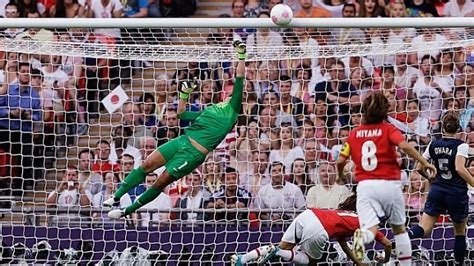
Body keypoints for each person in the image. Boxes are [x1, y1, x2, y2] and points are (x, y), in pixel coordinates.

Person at [106, 41, 247, 219]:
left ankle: (127, 210)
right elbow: (180, 114)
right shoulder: (207, 110)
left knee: (160, 182)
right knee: (146, 165)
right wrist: (184, 94)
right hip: (182, 141)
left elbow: (240, 77)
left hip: (193, 154)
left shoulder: (232, 111)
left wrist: (241, 55)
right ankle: (116, 197)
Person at [335, 92, 436, 265]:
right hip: (389, 185)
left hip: (365, 187)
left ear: (365, 111)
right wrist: (424, 162)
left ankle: (363, 236)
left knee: (369, 228)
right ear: (384, 111)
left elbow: (340, 161)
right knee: (399, 230)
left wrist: (341, 175)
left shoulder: (354, 134)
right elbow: (404, 146)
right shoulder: (388, 129)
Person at [230, 193, 392, 265]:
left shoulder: (347, 216)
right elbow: (388, 244)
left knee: (283, 247)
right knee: (309, 262)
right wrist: (384, 260)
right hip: (319, 228)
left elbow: (343, 243)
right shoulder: (365, 223)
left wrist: (358, 262)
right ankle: (277, 252)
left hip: (307, 215)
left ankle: (242, 259)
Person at [408, 111, 473, 265]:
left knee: (424, 228)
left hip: (437, 190)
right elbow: (459, 168)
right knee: (459, 232)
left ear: (443, 127)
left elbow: (418, 167)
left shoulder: (433, 143)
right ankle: (459, 263)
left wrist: (429, 177)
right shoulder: (461, 145)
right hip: (456, 193)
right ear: (458, 128)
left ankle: (402, 237)